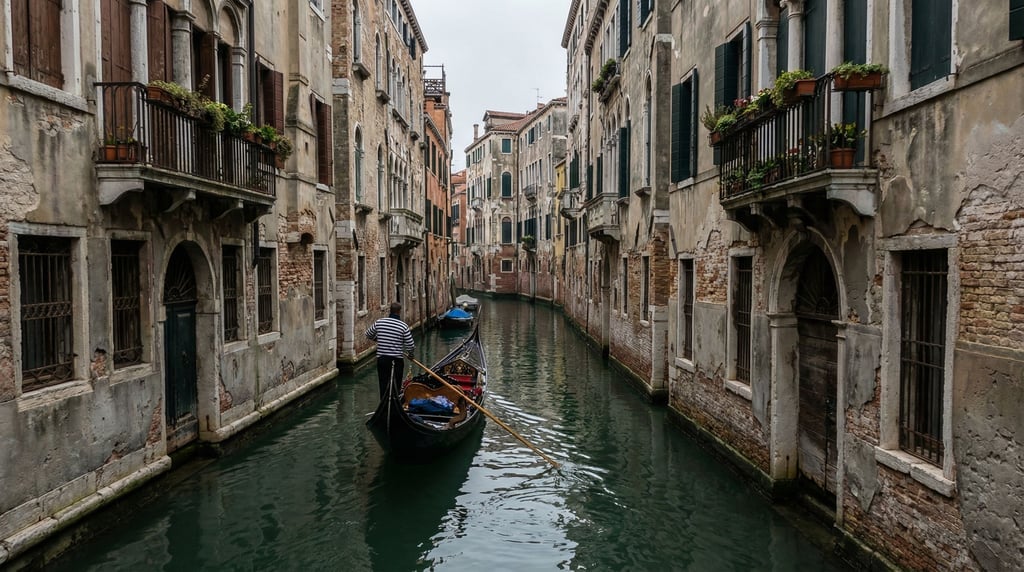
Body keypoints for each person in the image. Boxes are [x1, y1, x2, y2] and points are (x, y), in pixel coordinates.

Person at [365, 302, 415, 399]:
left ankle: (384, 403)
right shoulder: (403, 326)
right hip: (396, 360)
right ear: (399, 312)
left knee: (383, 383)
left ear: (389, 311)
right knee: (396, 385)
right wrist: (411, 355)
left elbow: (368, 334)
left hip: (382, 359)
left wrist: (378, 339)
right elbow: (411, 345)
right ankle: (394, 403)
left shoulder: (379, 322)